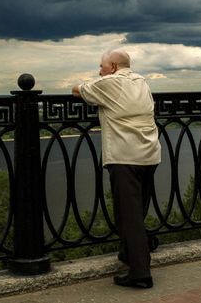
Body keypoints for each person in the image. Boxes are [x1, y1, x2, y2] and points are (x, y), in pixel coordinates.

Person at [72, 49, 161, 289]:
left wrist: (90, 83)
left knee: (128, 217)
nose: (99, 70)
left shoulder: (108, 83)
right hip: (150, 154)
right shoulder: (142, 81)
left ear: (112, 66)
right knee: (135, 212)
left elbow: (77, 90)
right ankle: (127, 256)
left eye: (101, 66)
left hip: (125, 157)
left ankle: (140, 274)